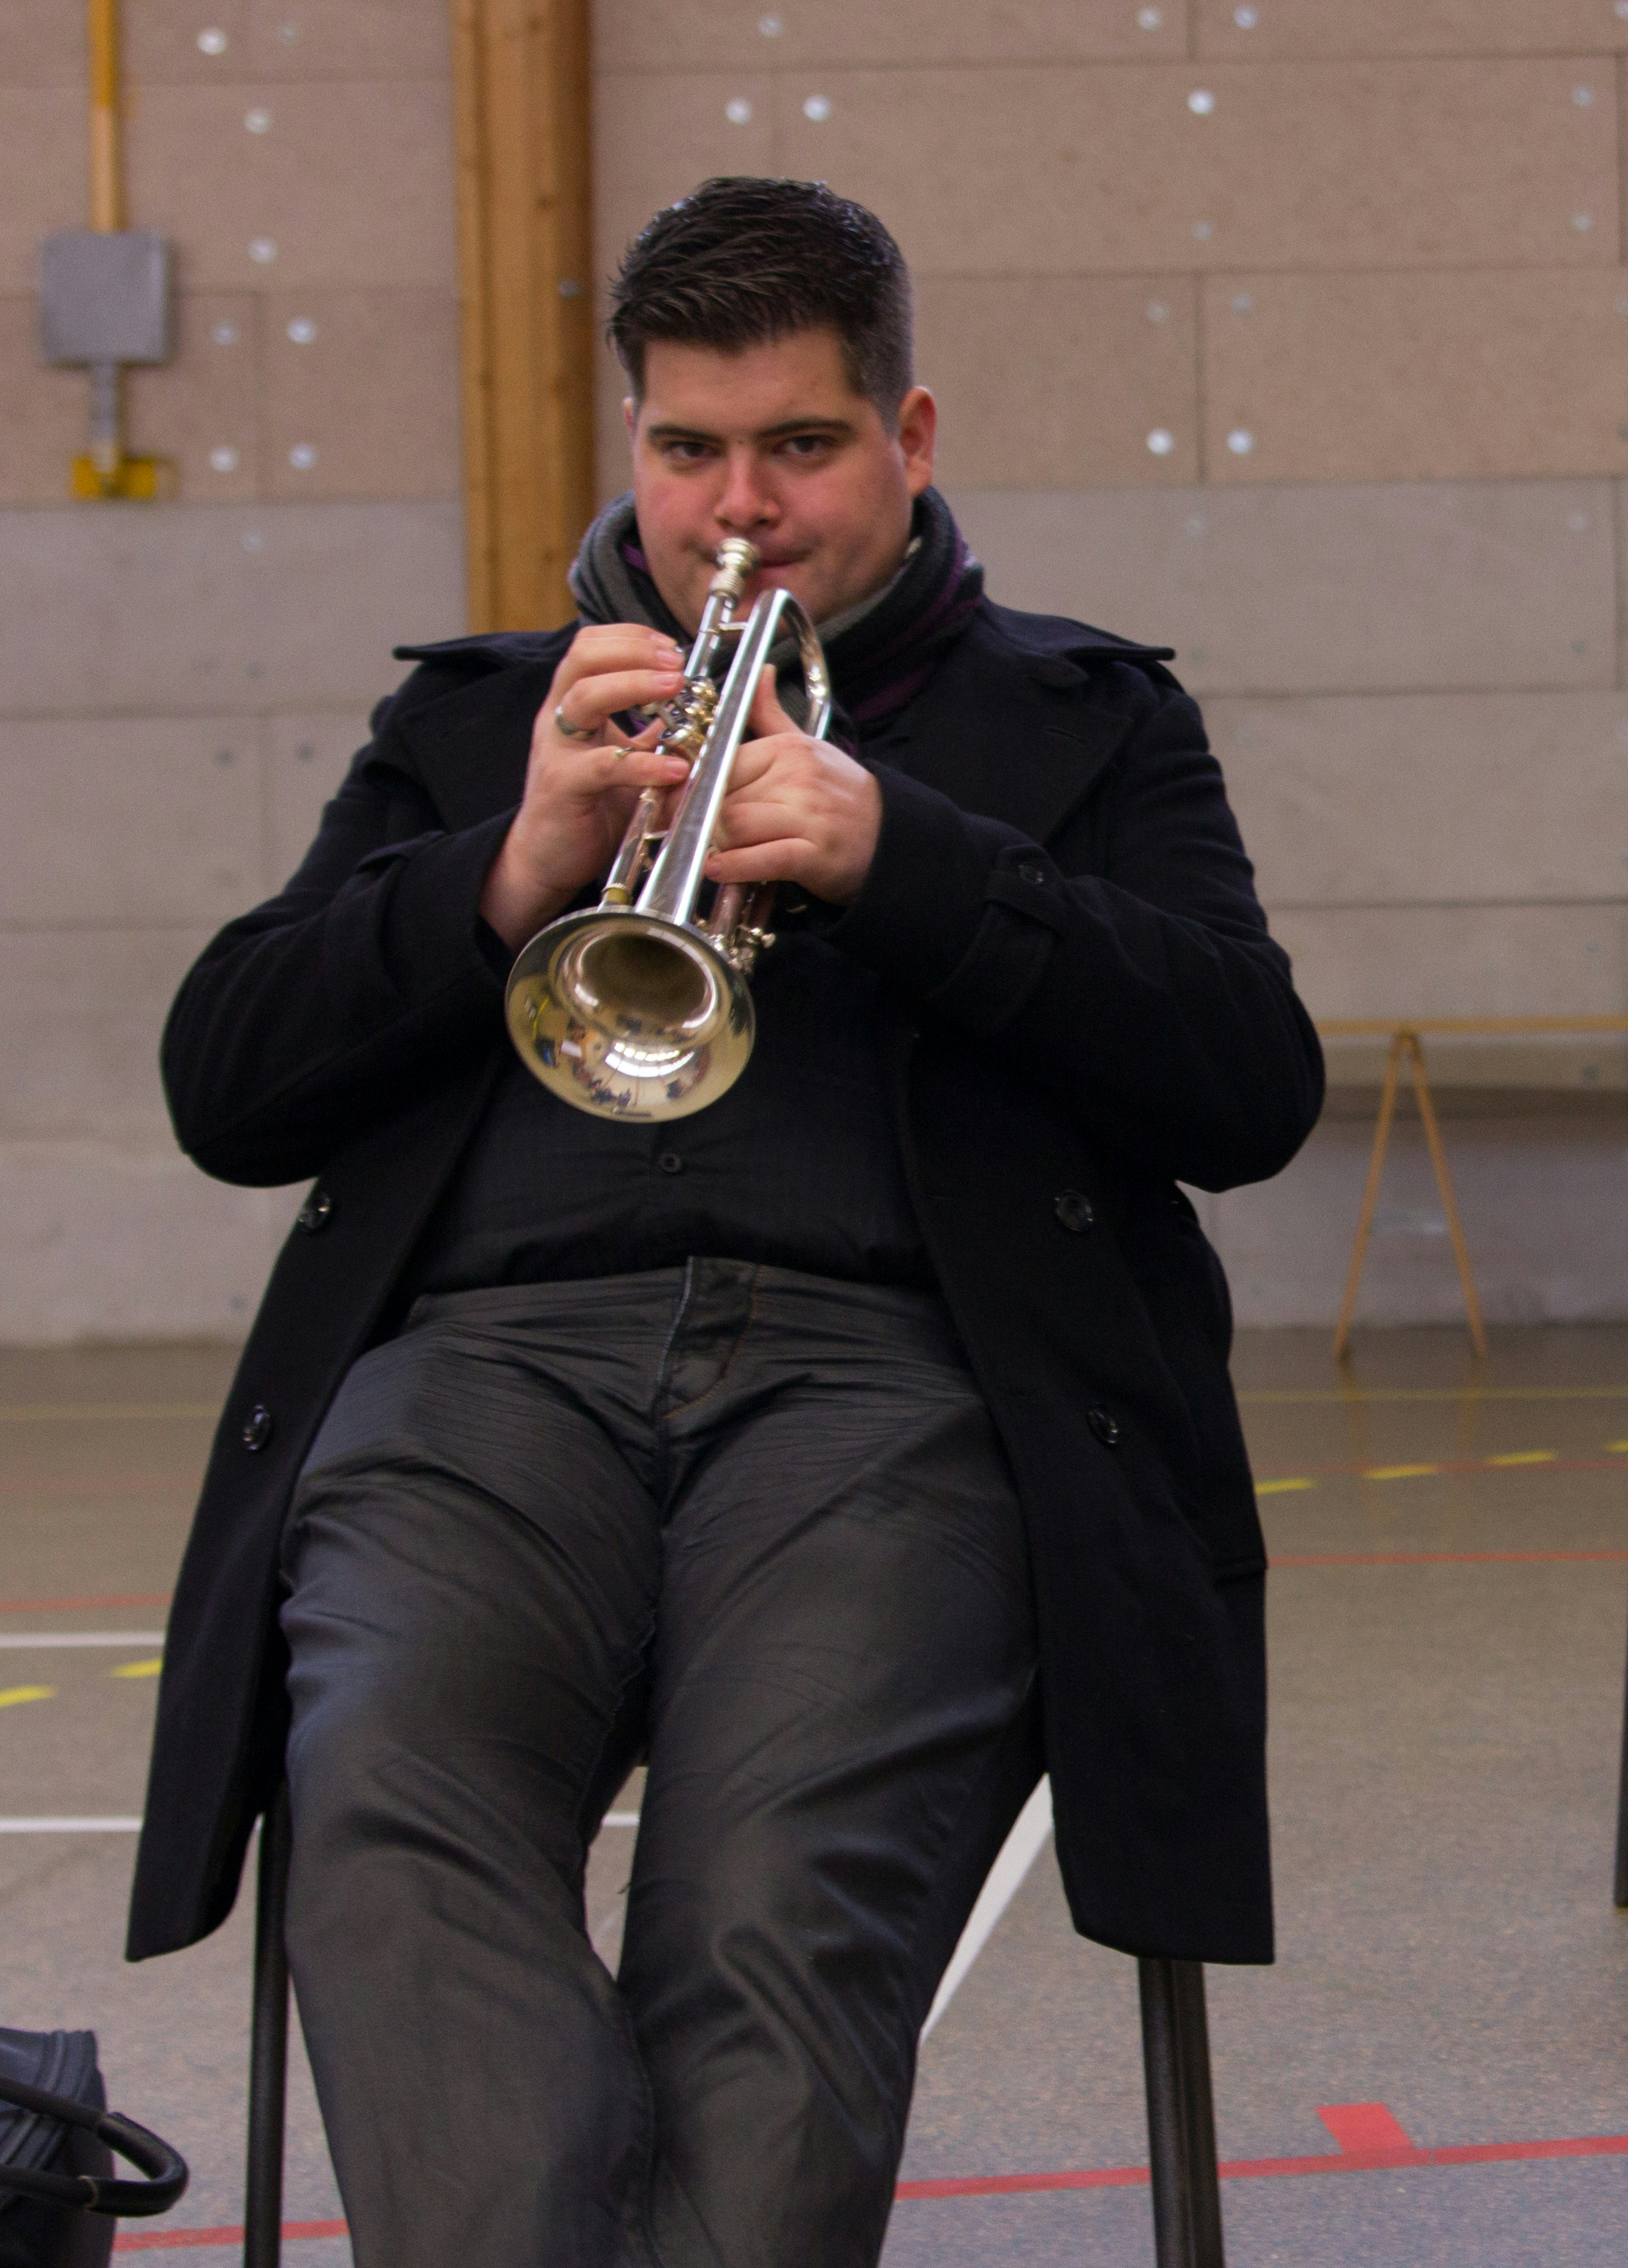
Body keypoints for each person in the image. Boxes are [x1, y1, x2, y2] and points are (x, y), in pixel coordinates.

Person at [126, 176, 1319, 2267]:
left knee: (771, 1913)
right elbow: (227, 1082)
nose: (735, 511)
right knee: (388, 1820)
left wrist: (904, 856)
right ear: (636, 446)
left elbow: (1248, 1087)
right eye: (686, 452)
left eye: (800, 446)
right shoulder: (483, 716)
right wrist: (508, 870)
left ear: (911, 435)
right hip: (482, 1382)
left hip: (895, 1401)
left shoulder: (1084, 721)